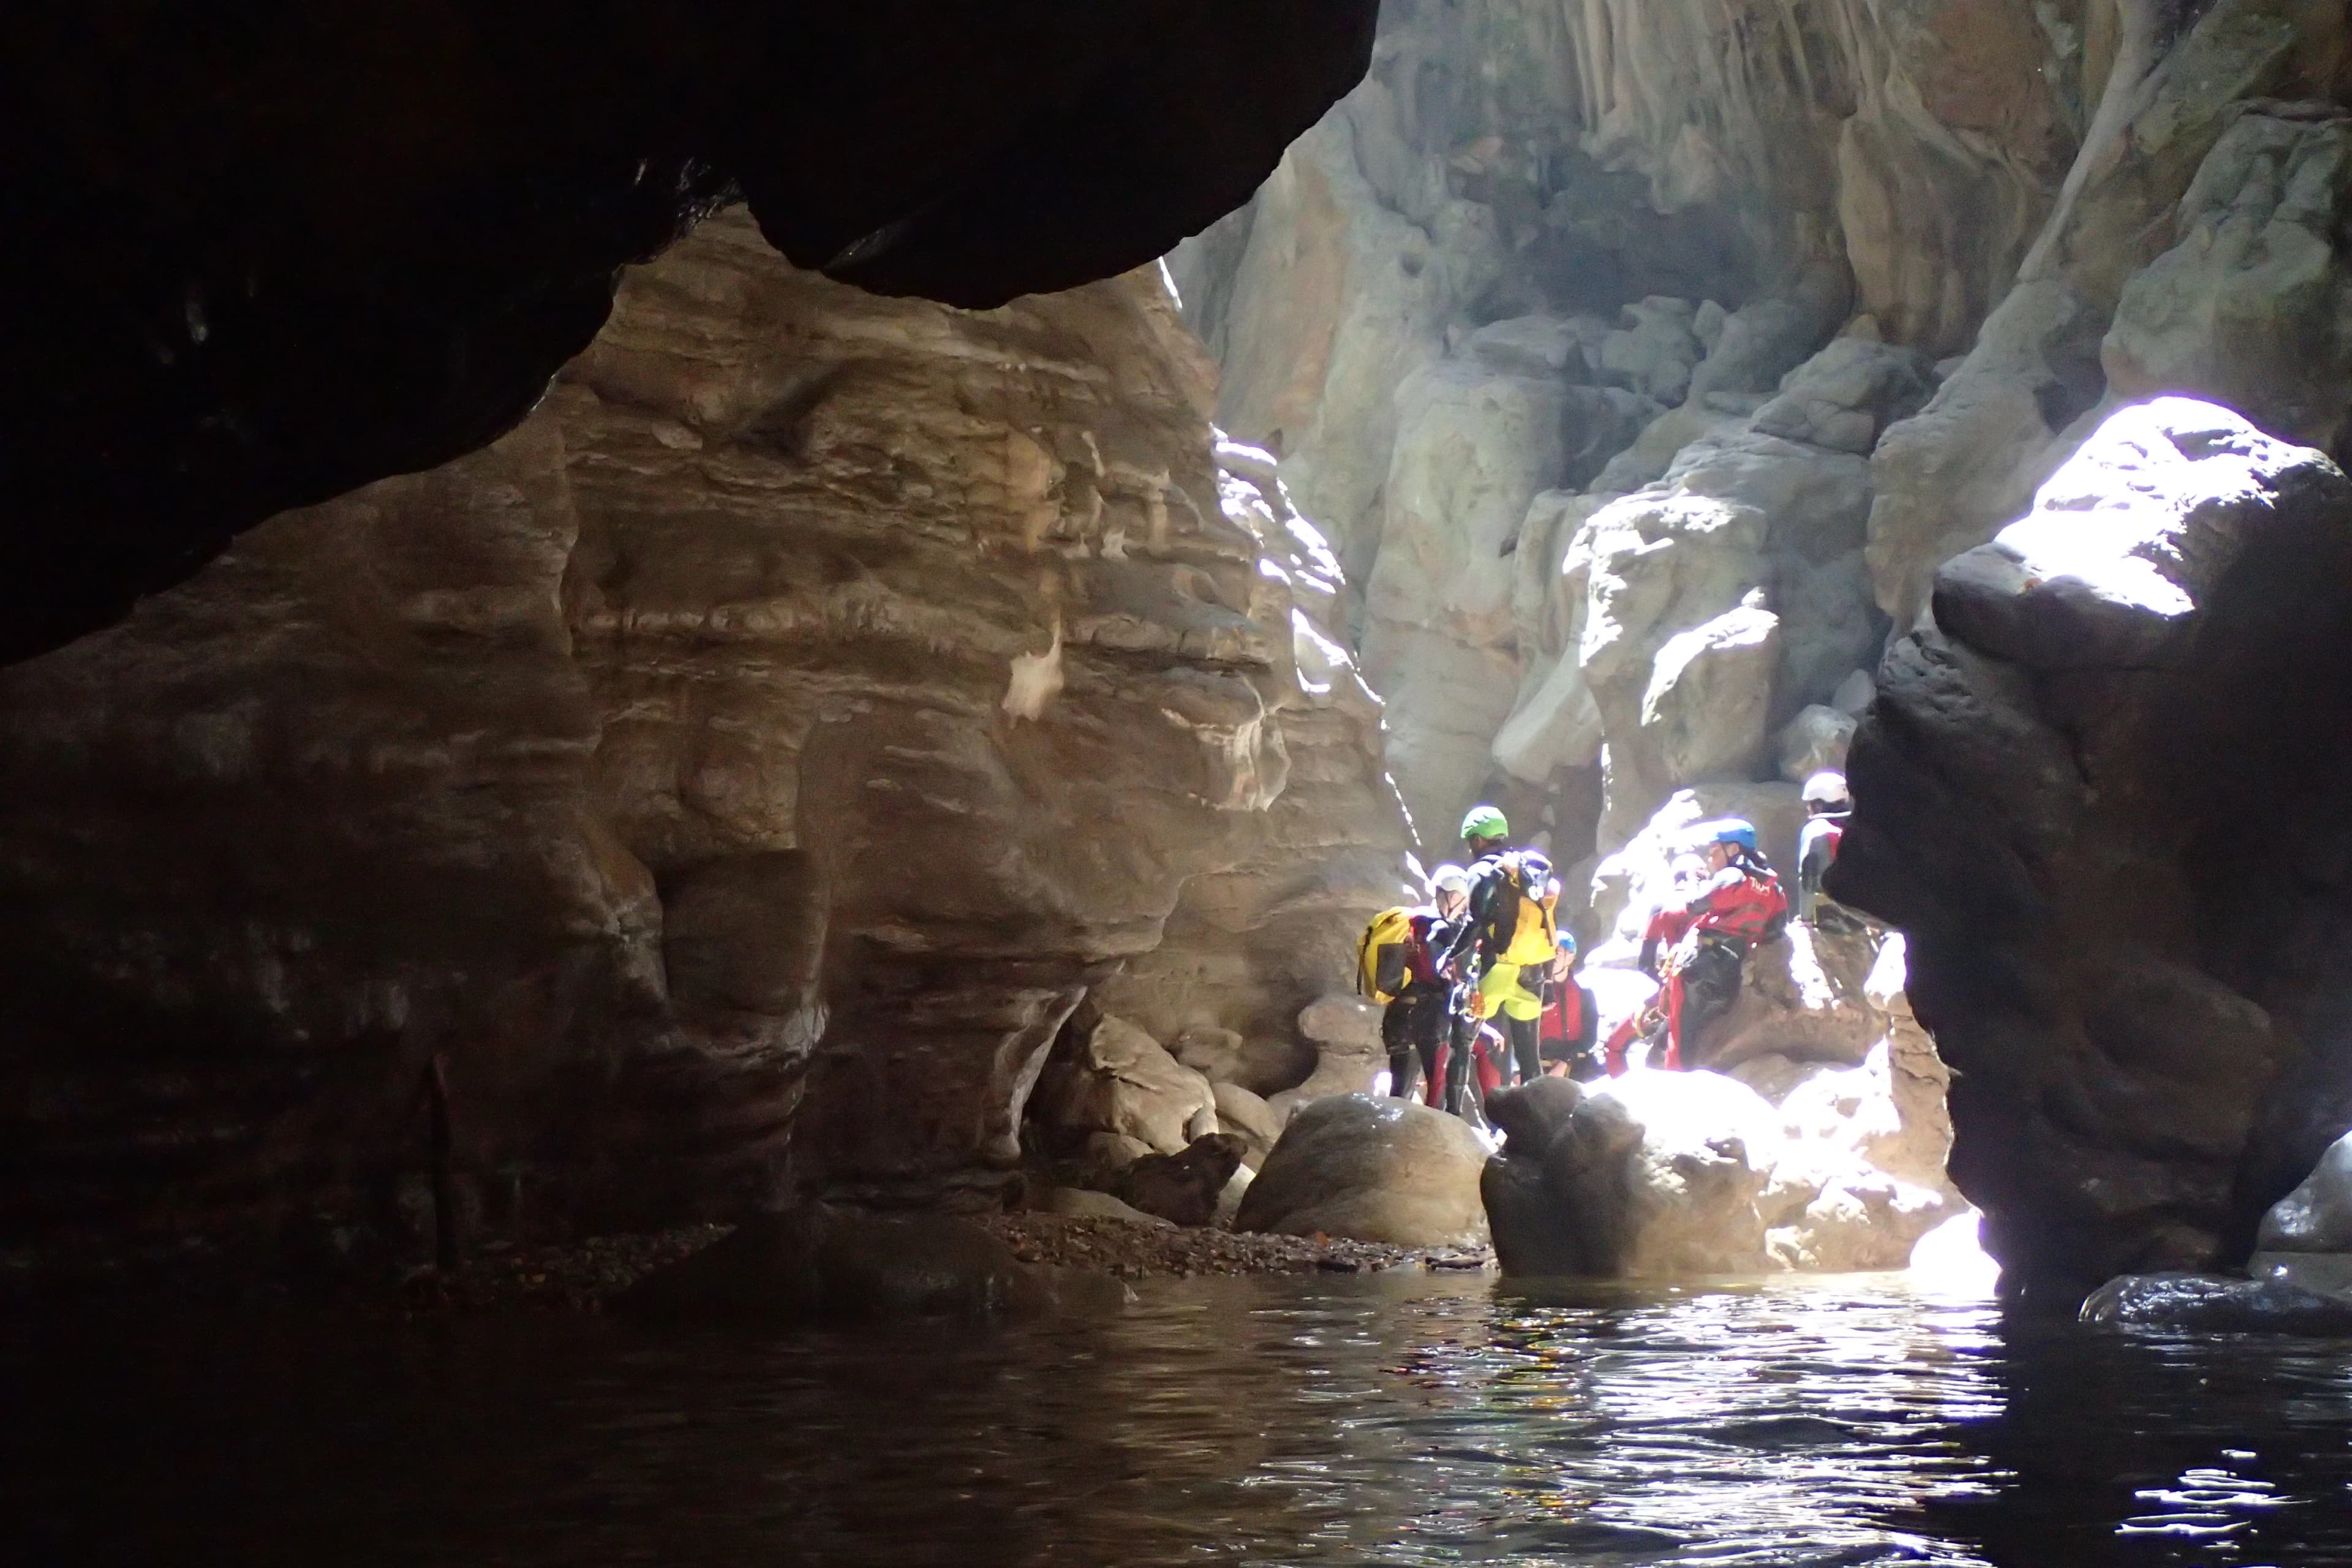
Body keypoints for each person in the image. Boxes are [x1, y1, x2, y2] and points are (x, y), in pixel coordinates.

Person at [1638, 819, 1787, 1069]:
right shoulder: (1775, 889)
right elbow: (1773, 931)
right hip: (1732, 973)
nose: (1711, 859)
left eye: (1715, 851)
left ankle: (1673, 1087)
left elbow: (1696, 903)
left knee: (1679, 1036)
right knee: (1698, 1035)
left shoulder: (1731, 876)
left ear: (1734, 849)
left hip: (1700, 966)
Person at [1435, 804, 1562, 1093]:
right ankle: (1537, 1120)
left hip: (1496, 967)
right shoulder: (1527, 870)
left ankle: (1453, 1113)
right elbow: (1549, 926)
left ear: (1478, 839)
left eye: (1471, 841)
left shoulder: (1482, 870)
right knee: (1529, 1054)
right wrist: (1551, 981)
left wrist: (1450, 956)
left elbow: (1475, 922)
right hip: (1533, 969)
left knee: (1463, 1040)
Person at [1379, 865, 1469, 1105]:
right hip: (1431, 1018)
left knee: (1399, 1093)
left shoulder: (1411, 921)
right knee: (1436, 1092)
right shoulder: (1445, 931)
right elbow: (1437, 973)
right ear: (1451, 896)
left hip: (1399, 1015)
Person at [1795, 769, 1858, 930]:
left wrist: (1806, 918)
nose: (1808, 810)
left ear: (1818, 805)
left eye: (1810, 805)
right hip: (1861, 918)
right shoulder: (1859, 827)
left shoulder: (1816, 830)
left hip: (1830, 916)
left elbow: (1808, 876)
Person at [1537, 929, 1600, 1078]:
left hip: (1574, 1067)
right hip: (1539, 1066)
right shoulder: (1535, 991)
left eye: (1557, 954)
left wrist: (1565, 1062)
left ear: (1570, 958)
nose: (1551, 959)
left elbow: (1590, 1037)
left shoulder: (1584, 993)